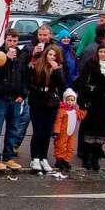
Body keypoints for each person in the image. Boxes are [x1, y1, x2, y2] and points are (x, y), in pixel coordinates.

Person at [0, 29, 28, 171]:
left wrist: (23, 95)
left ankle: (8, 157)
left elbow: (24, 76)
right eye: (9, 40)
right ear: (5, 40)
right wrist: (7, 60)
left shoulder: (21, 55)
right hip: (0, 98)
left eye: (15, 41)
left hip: (15, 98)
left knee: (13, 129)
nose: (12, 43)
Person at [76, 43, 105, 171]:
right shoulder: (91, 64)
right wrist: (82, 101)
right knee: (89, 130)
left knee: (100, 131)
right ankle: (86, 156)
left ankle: (96, 157)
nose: (103, 54)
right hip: (91, 102)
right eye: (101, 52)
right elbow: (82, 82)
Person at [27, 44, 65, 174]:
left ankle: (43, 157)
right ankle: (35, 158)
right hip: (38, 101)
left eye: (54, 56)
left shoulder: (58, 69)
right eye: (50, 54)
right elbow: (31, 83)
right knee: (38, 131)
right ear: (46, 55)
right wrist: (40, 91)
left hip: (51, 103)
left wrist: (57, 71)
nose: (52, 57)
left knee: (47, 132)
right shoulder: (37, 66)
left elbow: (62, 85)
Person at [52, 89, 86, 172]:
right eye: (68, 100)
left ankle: (66, 160)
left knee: (70, 146)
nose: (70, 102)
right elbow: (58, 121)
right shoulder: (62, 110)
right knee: (61, 145)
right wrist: (56, 131)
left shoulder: (75, 110)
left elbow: (80, 116)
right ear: (65, 100)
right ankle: (60, 160)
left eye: (72, 100)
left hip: (72, 133)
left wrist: (84, 109)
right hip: (63, 132)